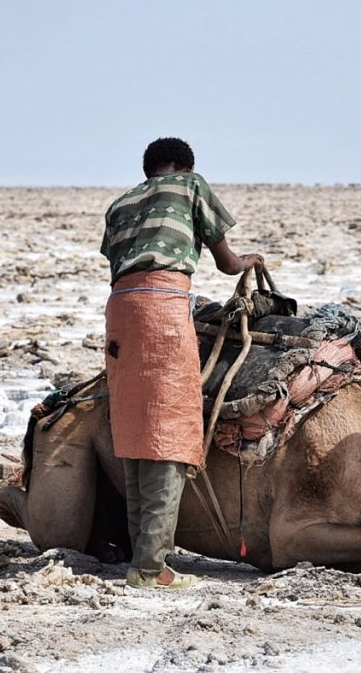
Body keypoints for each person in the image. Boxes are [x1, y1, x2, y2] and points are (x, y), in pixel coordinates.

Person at [101, 137, 263, 589]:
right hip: (162, 308)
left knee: (135, 429)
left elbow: (120, 264)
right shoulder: (189, 185)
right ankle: (152, 568)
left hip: (120, 312)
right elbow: (228, 263)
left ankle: (140, 554)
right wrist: (249, 260)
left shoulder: (120, 204)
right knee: (168, 429)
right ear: (181, 165)